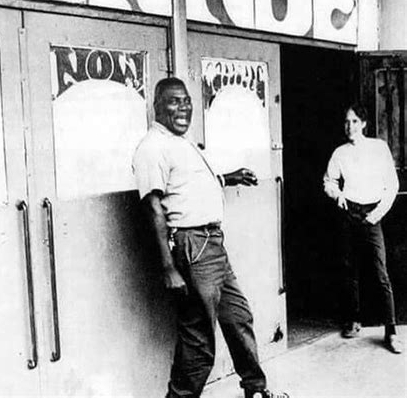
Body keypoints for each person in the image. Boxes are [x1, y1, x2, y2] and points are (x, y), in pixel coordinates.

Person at [132, 77, 289, 398]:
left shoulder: (180, 142)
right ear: (157, 105)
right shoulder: (152, 147)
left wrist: (228, 177)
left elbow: (188, 185)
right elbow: (153, 210)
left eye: (187, 101)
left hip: (212, 245)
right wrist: (168, 268)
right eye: (174, 101)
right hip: (192, 247)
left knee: (238, 317)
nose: (183, 107)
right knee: (199, 340)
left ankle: (255, 390)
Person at [323, 103, 402, 354]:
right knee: (349, 270)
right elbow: (328, 180)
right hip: (349, 214)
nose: (350, 127)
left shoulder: (379, 148)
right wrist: (337, 195)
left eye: (355, 121)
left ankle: (391, 331)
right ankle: (353, 320)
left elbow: (392, 186)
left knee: (381, 274)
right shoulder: (340, 152)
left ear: (364, 124)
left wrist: (375, 215)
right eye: (347, 122)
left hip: (372, 215)